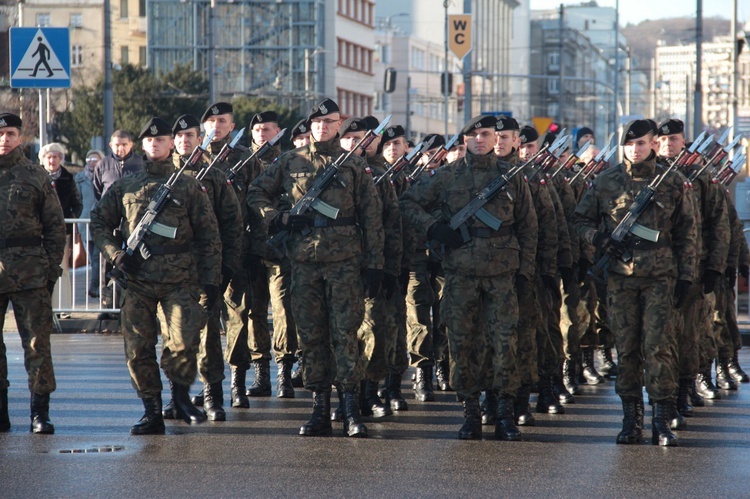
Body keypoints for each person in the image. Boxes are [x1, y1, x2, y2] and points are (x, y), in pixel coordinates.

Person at [247, 98, 384, 438]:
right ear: (309, 126)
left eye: (329, 121)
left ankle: (350, 409)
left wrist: (376, 265)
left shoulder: (353, 166)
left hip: (345, 265)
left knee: (345, 335)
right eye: (316, 122)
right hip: (305, 264)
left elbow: (372, 217)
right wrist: (278, 218)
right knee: (311, 337)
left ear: (339, 125)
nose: (322, 127)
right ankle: (320, 408)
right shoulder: (289, 161)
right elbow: (256, 193)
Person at [401, 115, 538, 440]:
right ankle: (471, 412)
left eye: (486, 134)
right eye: (473, 134)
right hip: (460, 277)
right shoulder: (446, 176)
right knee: (463, 344)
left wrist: (524, 273)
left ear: (495, 138)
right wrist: (434, 228)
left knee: (504, 344)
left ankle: (503, 412)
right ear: (464, 141)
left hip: (502, 277)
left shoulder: (511, 176)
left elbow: (529, 226)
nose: (479, 139)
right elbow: (407, 203)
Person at [90, 117, 222, 435]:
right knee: (138, 348)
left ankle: (179, 397)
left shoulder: (189, 186)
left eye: (161, 140)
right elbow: (98, 223)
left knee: (182, 343)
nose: (154, 145)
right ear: (142, 145)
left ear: (171, 143)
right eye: (149, 141)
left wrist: (211, 281)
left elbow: (209, 236)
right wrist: (116, 254)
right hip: (137, 281)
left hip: (180, 280)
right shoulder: (127, 185)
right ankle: (151, 411)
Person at [572, 119, 697, 446]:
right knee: (626, 348)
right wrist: (598, 238)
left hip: (660, 278)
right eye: (629, 144)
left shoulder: (673, 183)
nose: (635, 149)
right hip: (621, 278)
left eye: (641, 143)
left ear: (654, 144)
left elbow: (687, 234)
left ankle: (661, 417)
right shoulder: (606, 181)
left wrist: (686, 277)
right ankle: (631, 419)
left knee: (659, 347)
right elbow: (580, 220)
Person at [163, 114, 242, 422]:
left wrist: (228, 266)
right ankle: (176, 396)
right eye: (179, 135)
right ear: (173, 142)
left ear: (200, 138)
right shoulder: (162, 173)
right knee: (173, 335)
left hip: (206, 265)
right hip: (169, 268)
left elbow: (232, 222)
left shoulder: (213, 174)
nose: (184, 140)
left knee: (208, 334)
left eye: (190, 135)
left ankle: (212, 396)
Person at [656, 119, 729, 419]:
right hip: (657, 271)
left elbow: (719, 225)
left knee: (690, 334)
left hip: (695, 271)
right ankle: (665, 395)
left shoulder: (700, 178)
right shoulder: (651, 177)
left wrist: (714, 267)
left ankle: (686, 388)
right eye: (662, 140)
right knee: (660, 337)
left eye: (674, 139)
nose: (668, 144)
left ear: (683, 141)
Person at [0, 113, 66, 434]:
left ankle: (39, 412)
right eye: (0, 133)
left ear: (20, 137)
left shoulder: (35, 175)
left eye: (10, 133)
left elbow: (55, 226)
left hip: (30, 272)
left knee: (38, 344)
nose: (5, 139)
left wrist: (51, 268)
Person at [93, 130, 144, 313]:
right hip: (112, 223)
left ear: (131, 145)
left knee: (132, 264)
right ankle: (107, 307)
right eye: (116, 145)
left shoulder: (140, 163)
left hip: (134, 223)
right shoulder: (103, 164)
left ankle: (130, 306)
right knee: (106, 265)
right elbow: (98, 191)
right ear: (110, 145)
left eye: (124, 144)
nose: (120, 148)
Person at [40, 142, 83, 316]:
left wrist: (70, 218)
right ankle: (43, 308)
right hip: (39, 232)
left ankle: (63, 308)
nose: (52, 160)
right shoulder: (36, 176)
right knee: (41, 269)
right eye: (49, 157)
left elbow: (77, 203)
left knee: (62, 269)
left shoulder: (67, 177)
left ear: (61, 159)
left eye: (56, 156)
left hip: (61, 232)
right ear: (43, 159)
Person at [75, 149, 104, 297]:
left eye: (95, 160)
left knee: (98, 256)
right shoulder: (80, 178)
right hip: (85, 222)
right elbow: (77, 201)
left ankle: (95, 286)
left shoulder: (104, 175)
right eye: (89, 160)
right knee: (93, 257)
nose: (92, 163)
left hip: (101, 221)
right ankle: (96, 285)